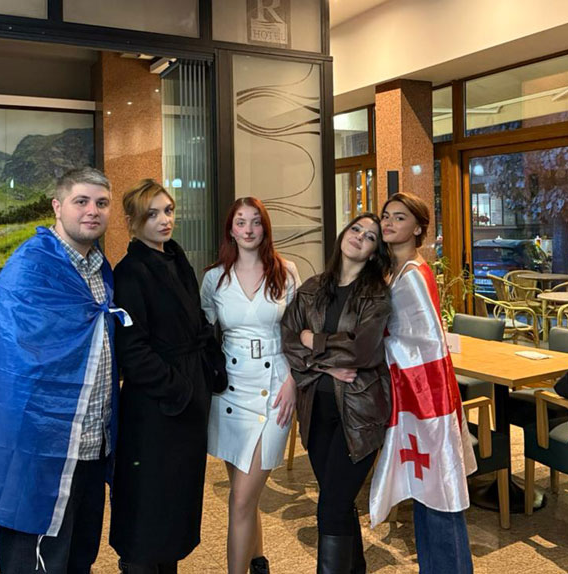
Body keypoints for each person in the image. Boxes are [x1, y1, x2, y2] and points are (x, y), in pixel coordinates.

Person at [0, 167, 127, 574]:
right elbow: (13, 363)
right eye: (81, 201)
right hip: (42, 447)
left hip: (92, 441)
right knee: (37, 560)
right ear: (57, 206)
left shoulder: (99, 267)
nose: (92, 211)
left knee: (80, 555)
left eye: (101, 203)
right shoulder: (31, 267)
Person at [110, 179, 226, 574]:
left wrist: (210, 369)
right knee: (148, 503)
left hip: (189, 395)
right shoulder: (130, 272)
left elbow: (198, 322)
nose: (165, 220)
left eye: (169, 210)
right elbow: (132, 349)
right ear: (133, 221)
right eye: (153, 214)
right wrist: (179, 389)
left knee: (176, 501)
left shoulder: (176, 258)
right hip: (154, 405)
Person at [370, 192, 476, 574]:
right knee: (427, 492)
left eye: (399, 217)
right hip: (418, 399)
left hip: (426, 401)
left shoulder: (412, 276)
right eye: (386, 216)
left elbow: (427, 346)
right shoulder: (396, 270)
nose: (388, 222)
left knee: (440, 495)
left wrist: (376, 345)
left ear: (418, 228)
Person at [281, 213, 392, 574]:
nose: (360, 237)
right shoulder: (312, 288)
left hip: (359, 414)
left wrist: (313, 340)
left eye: (370, 237)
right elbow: (288, 339)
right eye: (356, 229)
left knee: (330, 506)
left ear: (375, 252)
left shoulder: (376, 294)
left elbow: (361, 351)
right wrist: (327, 366)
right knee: (338, 503)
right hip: (316, 410)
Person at [200, 198, 301, 574]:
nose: (248, 229)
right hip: (230, 392)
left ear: (265, 228)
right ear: (230, 229)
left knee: (241, 500)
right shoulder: (214, 278)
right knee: (247, 496)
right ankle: (258, 564)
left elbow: (299, 333)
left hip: (275, 388)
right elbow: (203, 336)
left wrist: (294, 381)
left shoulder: (286, 272)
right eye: (240, 222)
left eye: (255, 222)